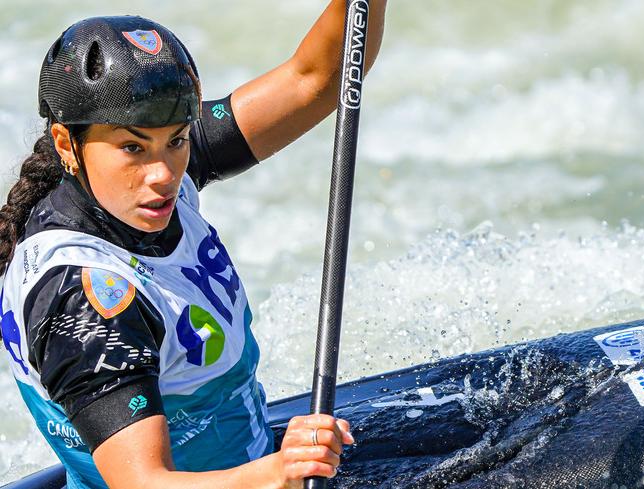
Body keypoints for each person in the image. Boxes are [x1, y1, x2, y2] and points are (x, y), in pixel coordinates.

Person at [0, 3, 386, 488]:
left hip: (254, 456)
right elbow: (143, 484)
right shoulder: (85, 301)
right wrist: (279, 473)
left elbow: (316, 79)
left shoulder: (130, 180)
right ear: (65, 143)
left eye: (178, 140)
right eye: (133, 148)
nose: (163, 174)